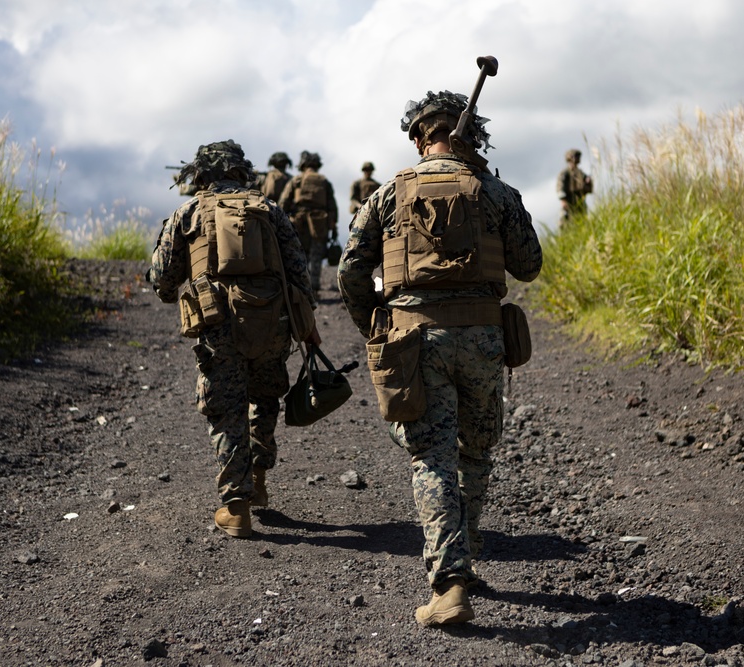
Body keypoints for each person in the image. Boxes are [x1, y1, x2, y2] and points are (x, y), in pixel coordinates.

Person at [337, 90, 543, 625]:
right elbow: (529, 264)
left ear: (417, 137)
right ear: (468, 132)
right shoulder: (496, 191)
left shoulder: (388, 195)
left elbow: (349, 271)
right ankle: (465, 560)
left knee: (431, 457)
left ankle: (449, 584)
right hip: (481, 340)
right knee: (475, 452)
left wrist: (374, 327)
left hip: (415, 341)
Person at [149, 140, 319, 539]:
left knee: (226, 409)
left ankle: (236, 506)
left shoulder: (188, 212)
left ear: (202, 175)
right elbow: (300, 272)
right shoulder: (269, 210)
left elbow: (161, 281)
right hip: (271, 321)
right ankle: (258, 479)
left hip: (217, 322)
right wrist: (307, 325)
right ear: (243, 172)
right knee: (264, 397)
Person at [278, 151, 338, 299]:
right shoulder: (324, 181)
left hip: (298, 222)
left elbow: (283, 203)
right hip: (319, 222)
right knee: (316, 256)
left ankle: (303, 289)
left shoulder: (297, 180)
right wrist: (333, 227)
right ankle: (315, 289)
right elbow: (332, 207)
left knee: (301, 255)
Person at [556, 148, 593, 225]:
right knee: (566, 223)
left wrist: (588, 183)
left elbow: (589, 188)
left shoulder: (581, 174)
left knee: (582, 222)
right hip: (569, 202)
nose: (578, 159)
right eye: (576, 156)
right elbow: (560, 186)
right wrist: (563, 200)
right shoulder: (565, 173)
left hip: (580, 202)